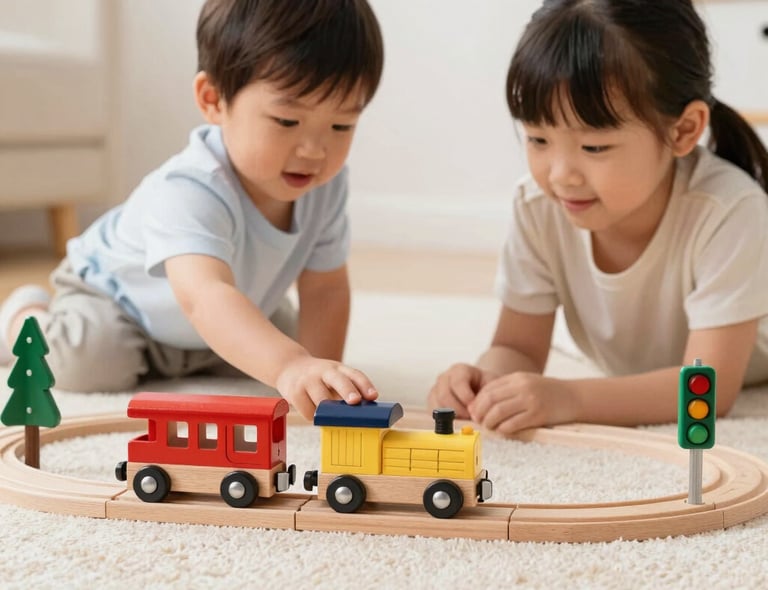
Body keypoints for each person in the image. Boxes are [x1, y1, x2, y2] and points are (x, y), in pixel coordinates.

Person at [0, 0, 384, 421]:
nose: (314, 150)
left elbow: (325, 289)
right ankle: (24, 315)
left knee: (287, 341)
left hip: (219, 315)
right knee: (90, 361)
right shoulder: (190, 187)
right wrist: (289, 365)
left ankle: (214, 354)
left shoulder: (325, 186)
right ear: (213, 99)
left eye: (341, 125)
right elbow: (205, 296)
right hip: (121, 306)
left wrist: (319, 381)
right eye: (286, 121)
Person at [429, 0, 768, 435]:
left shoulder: (729, 211)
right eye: (537, 139)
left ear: (683, 131)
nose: (560, 175)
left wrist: (570, 398)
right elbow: (517, 348)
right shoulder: (538, 206)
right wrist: (484, 382)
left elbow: (708, 389)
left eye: (594, 147)